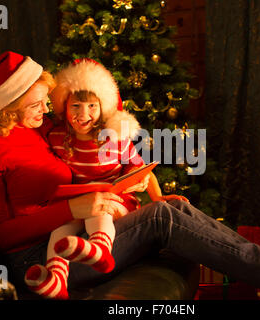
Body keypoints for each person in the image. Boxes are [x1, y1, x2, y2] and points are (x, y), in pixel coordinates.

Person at [0, 51, 260, 300]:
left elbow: (90, 109)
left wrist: (121, 187)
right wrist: (73, 207)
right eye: (36, 104)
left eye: (44, 102)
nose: (46, 110)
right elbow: (3, 234)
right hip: (42, 261)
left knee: (172, 208)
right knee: (164, 219)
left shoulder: (32, 130)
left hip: (79, 234)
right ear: (7, 107)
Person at [23, 58, 188, 299]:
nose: (83, 114)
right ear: (64, 106)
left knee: (97, 207)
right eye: (76, 106)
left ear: (103, 108)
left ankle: (100, 248)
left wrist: (158, 197)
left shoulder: (114, 138)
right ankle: (56, 278)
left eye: (92, 106)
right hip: (77, 203)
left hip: (114, 203)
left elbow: (143, 169)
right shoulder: (57, 136)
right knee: (61, 227)